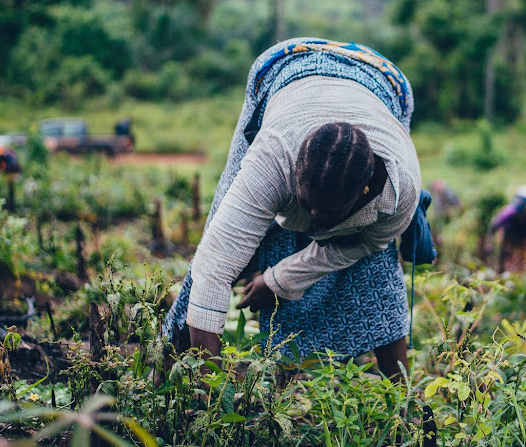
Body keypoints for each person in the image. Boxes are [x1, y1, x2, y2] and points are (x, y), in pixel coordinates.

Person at [164, 38, 427, 381]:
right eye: (307, 206)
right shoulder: (272, 158)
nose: (314, 222)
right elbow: (215, 267)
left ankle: (401, 399)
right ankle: (172, 361)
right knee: (220, 232)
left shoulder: (397, 191)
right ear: (293, 175)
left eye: (328, 214)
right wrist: (213, 389)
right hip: (285, 67)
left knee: (375, 269)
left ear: (364, 192)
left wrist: (279, 280)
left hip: (385, 82)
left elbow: (359, 246)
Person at [487, 186, 526, 274]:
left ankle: (521, 274)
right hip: (508, 238)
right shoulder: (508, 213)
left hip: (523, 238)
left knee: (523, 260)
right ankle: (501, 273)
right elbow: (493, 226)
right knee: (504, 258)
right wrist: (489, 242)